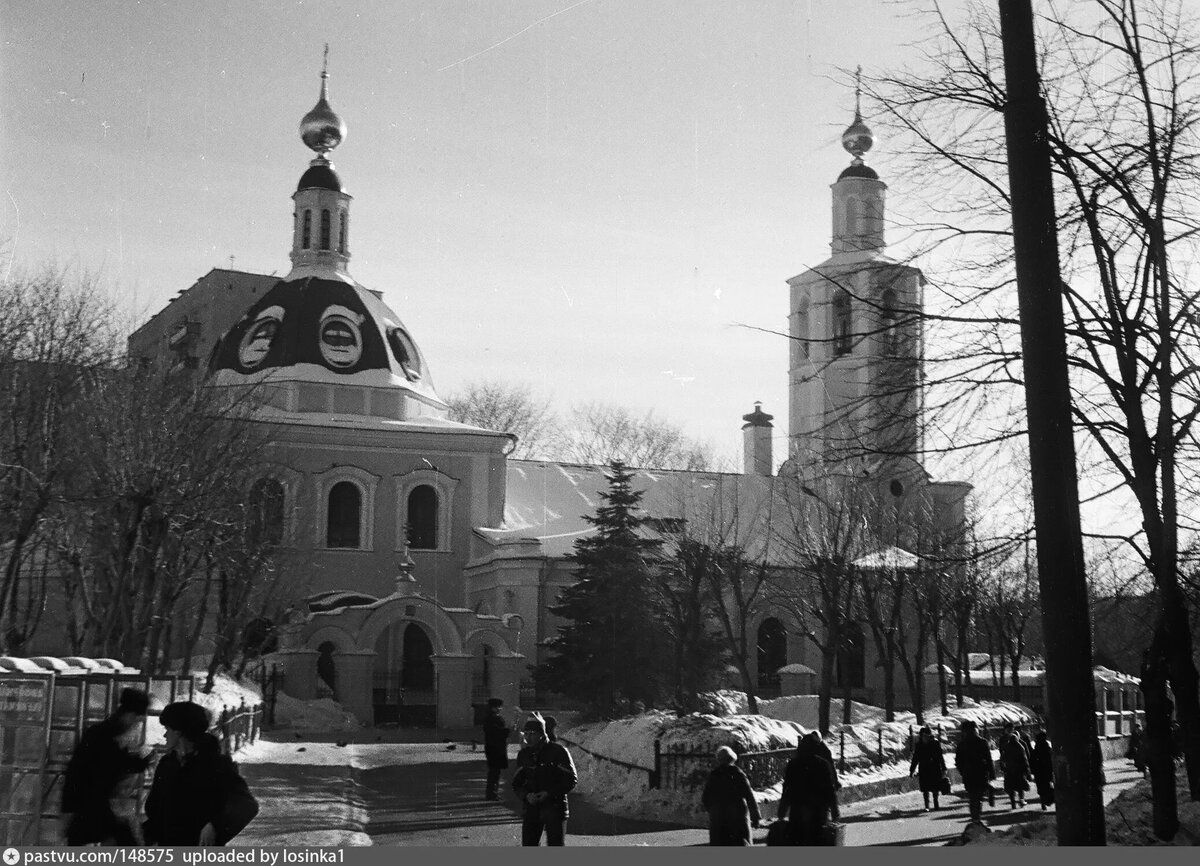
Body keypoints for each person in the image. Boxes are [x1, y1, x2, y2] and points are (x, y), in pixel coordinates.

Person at [143, 702, 258, 846]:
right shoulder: (167, 764)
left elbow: (246, 804)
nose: (165, 735)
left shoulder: (216, 765)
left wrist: (215, 826)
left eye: (168, 729)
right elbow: (155, 810)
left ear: (180, 733)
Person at [61, 688, 152, 846]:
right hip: (92, 809)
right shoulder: (105, 737)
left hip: (99, 810)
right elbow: (76, 772)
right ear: (130, 715)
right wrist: (67, 809)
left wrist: (142, 760)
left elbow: (119, 764)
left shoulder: (110, 735)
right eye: (137, 720)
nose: (136, 725)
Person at [512, 712, 577, 846]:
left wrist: (549, 793)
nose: (528, 738)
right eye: (526, 734)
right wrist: (526, 795)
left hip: (555, 808)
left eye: (532, 734)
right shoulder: (524, 754)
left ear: (541, 734)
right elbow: (517, 783)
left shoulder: (558, 751)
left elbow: (571, 779)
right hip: (532, 809)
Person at [777, 732, 840, 845]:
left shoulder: (793, 764)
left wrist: (782, 810)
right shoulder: (822, 764)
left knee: (798, 839)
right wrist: (835, 811)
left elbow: (786, 789)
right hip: (818, 811)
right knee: (816, 840)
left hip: (798, 810)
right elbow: (829, 790)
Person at [700, 746, 761, 846]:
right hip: (738, 817)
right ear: (732, 758)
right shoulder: (738, 774)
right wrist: (755, 817)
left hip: (719, 819)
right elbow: (749, 796)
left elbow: (705, 797)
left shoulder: (714, 775)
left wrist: (713, 812)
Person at [955, 720, 995, 824]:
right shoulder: (982, 742)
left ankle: (975, 818)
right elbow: (989, 759)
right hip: (981, 773)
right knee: (979, 796)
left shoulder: (961, 744)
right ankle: (977, 818)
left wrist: (962, 771)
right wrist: (991, 773)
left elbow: (958, 761)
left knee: (973, 796)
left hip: (968, 775)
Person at [909, 726, 947, 812]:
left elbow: (940, 757)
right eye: (924, 736)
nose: (926, 738)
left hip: (934, 768)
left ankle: (936, 802)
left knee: (935, 787)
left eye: (927, 736)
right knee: (925, 787)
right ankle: (927, 805)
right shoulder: (919, 745)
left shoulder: (935, 744)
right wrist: (912, 770)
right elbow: (915, 759)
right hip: (924, 768)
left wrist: (944, 768)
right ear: (921, 736)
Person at [481, 698, 511, 801]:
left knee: (494, 771)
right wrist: (507, 730)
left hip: (493, 746)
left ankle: (492, 792)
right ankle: (492, 793)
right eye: (498, 707)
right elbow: (497, 732)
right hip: (495, 747)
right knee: (494, 771)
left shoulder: (490, 718)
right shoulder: (493, 719)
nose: (500, 709)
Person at [998, 723, 1032, 809]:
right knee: (1020, 786)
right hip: (1019, 769)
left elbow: (1002, 757)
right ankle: (1021, 800)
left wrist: (1003, 767)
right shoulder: (1021, 746)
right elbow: (1026, 757)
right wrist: (1027, 769)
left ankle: (1013, 802)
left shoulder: (1006, 746)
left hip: (1010, 769)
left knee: (1011, 786)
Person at [1030, 730, 1054, 810]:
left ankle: (1043, 803)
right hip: (1046, 770)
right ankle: (1049, 801)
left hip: (1038, 771)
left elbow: (1032, 760)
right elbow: (1050, 758)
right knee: (1048, 785)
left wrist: (1033, 770)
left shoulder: (1036, 748)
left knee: (1040, 787)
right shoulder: (1047, 747)